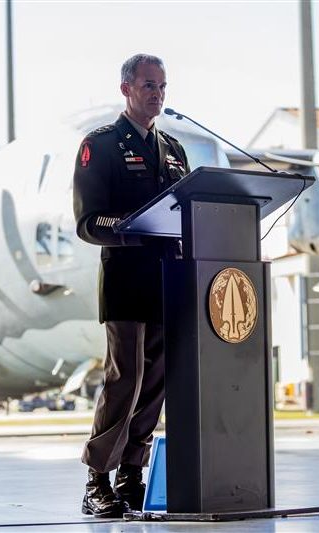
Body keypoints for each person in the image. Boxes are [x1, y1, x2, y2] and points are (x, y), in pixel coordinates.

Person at [73, 54, 190, 518]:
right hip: (125, 280)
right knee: (126, 382)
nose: (157, 93)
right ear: (125, 89)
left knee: (155, 386)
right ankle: (97, 479)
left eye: (162, 86)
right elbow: (87, 221)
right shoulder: (100, 146)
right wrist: (134, 226)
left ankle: (131, 475)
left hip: (168, 281)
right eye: (148, 85)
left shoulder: (175, 149)